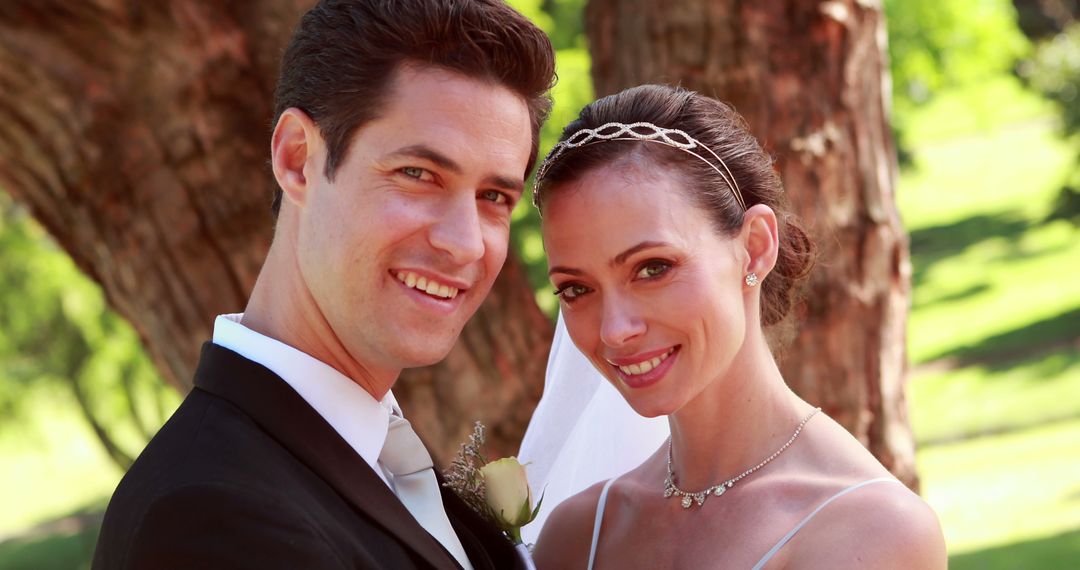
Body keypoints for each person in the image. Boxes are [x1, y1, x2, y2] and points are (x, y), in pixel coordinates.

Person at [92, 1, 554, 568]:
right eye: (418, 174)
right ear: (297, 159)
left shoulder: (377, 453)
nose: (465, 244)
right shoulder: (207, 518)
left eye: (493, 198)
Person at [527, 84, 946, 569]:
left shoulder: (871, 532)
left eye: (652, 268)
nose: (614, 331)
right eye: (577, 290)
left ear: (755, 247)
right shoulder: (578, 536)